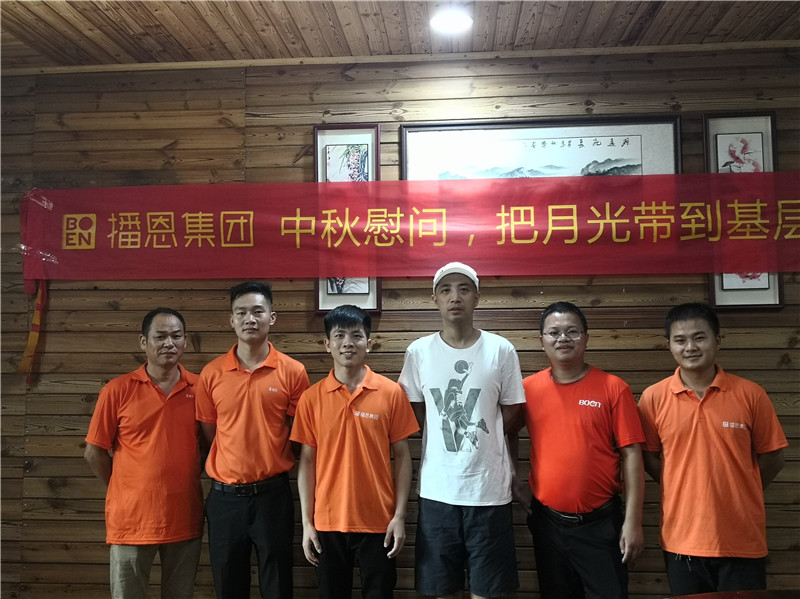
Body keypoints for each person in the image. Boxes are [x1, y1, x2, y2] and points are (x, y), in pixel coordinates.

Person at [638, 302, 787, 595]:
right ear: (669, 345)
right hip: (682, 540)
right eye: (680, 340)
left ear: (717, 341)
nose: (690, 347)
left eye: (699, 337)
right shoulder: (653, 398)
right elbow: (648, 458)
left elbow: (773, 456)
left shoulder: (751, 394)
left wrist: (743, 486)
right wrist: (680, 484)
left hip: (742, 539)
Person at [398, 262, 525, 599]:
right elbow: (414, 413)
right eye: (446, 290)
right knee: (442, 591)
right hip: (437, 493)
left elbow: (513, 414)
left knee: (490, 592)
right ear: (435, 299)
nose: (455, 297)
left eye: (464, 289)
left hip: (489, 492)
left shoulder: (501, 350)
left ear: (477, 298)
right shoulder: (418, 352)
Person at [292, 304, 420, 599]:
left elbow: (403, 457)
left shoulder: (391, 393)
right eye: (339, 335)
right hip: (327, 523)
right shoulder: (311, 399)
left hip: (379, 522)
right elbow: (307, 462)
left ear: (369, 343)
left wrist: (399, 516)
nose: (347, 343)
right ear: (327, 344)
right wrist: (307, 523)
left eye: (356, 335)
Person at [520, 301, 645, 599]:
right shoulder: (527, 389)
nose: (563, 338)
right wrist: (512, 478)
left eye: (572, 331)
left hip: (600, 524)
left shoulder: (613, 388)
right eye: (554, 332)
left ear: (586, 338)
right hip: (547, 524)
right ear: (542, 341)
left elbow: (632, 455)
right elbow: (504, 434)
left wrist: (633, 522)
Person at [196, 281, 310, 599]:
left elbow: (299, 434)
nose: (250, 319)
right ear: (231, 320)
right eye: (241, 312)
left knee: (277, 585)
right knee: (228, 585)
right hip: (224, 500)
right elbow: (210, 434)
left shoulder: (293, 371)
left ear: (271, 317)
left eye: (258, 311)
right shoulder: (211, 374)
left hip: (273, 496)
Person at [84, 308, 203, 599]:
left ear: (185, 341)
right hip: (131, 521)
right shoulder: (117, 390)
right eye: (160, 336)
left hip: (184, 517)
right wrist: (123, 487)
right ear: (143, 342)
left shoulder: (202, 389)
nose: (169, 343)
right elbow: (94, 452)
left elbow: (210, 445)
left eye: (176, 336)